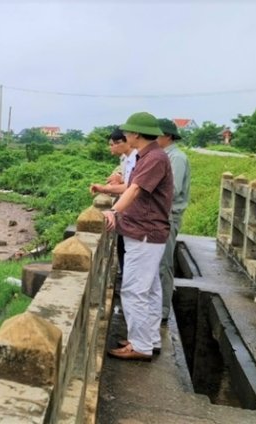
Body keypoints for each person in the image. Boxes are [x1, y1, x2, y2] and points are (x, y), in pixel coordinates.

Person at [104, 112, 173, 361]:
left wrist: (113, 211)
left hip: (145, 232)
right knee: (150, 288)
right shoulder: (150, 156)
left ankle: (141, 345)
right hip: (147, 231)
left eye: (128, 133)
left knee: (134, 289)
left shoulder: (153, 158)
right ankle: (148, 339)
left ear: (135, 134)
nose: (125, 136)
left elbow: (134, 189)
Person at [157, 118, 191, 324]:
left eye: (156, 135)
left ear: (167, 136)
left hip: (168, 216)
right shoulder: (164, 156)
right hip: (161, 215)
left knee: (163, 263)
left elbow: (172, 190)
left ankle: (163, 309)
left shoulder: (176, 158)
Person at [90, 128, 137, 275]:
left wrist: (113, 210)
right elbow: (129, 185)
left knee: (131, 256)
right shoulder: (127, 159)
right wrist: (104, 188)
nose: (110, 148)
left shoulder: (137, 158)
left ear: (124, 142)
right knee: (124, 249)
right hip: (130, 214)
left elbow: (132, 188)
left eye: (112, 144)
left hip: (136, 217)